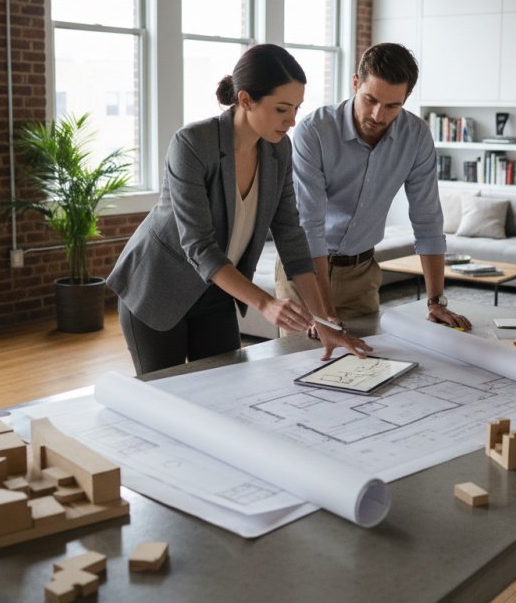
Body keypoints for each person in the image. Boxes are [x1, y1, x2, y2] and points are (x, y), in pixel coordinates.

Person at [108, 44, 372, 375]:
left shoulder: (279, 151)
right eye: (281, 109)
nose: (292, 121)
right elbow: (199, 247)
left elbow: (290, 234)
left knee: (225, 388)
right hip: (159, 289)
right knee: (167, 398)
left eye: (296, 109)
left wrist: (322, 320)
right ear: (246, 100)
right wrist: (265, 303)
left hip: (218, 290)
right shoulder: (191, 143)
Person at [275, 42, 471, 331]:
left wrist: (436, 301)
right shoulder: (314, 131)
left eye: (393, 105)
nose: (379, 116)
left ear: (408, 97)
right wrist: (325, 315)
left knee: (367, 366)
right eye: (370, 100)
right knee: (298, 366)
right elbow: (310, 228)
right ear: (356, 83)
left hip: (362, 275)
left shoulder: (416, 136)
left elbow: (428, 220)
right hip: (304, 272)